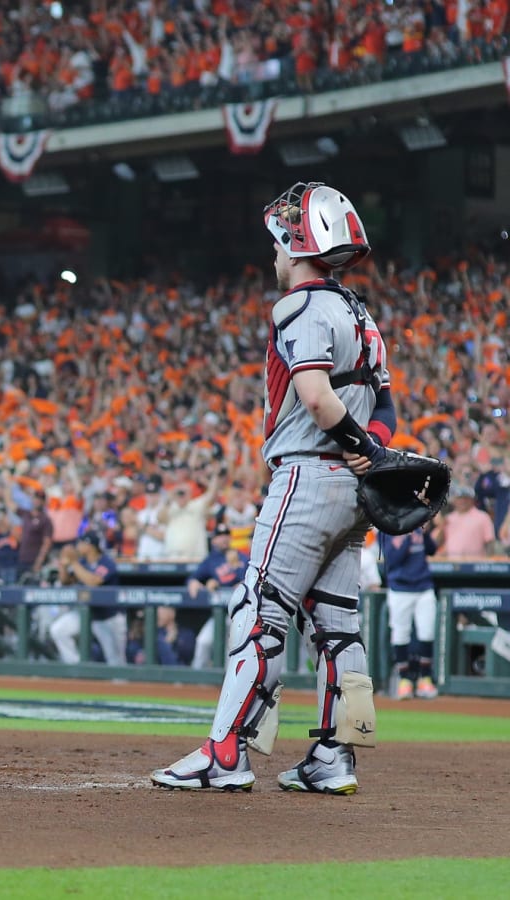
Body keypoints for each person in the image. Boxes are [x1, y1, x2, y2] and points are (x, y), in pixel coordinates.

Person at [153, 181, 390, 794]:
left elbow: (314, 396)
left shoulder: (302, 307)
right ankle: (334, 759)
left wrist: (359, 446)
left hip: (308, 475)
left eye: (280, 243)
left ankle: (226, 754)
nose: (275, 255)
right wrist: (372, 452)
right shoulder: (361, 314)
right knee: (338, 626)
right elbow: (383, 402)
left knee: (258, 612)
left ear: (299, 241)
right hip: (353, 491)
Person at [378, 525, 440, 700]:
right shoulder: (388, 529)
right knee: (400, 634)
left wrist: (425, 534)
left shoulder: (419, 526)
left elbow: (432, 550)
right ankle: (404, 680)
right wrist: (407, 536)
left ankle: (425, 678)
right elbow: (392, 558)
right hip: (400, 588)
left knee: (427, 632)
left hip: (424, 586)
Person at [47, 533, 124, 665]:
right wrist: (64, 566)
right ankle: (76, 667)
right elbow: (66, 581)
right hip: (85, 614)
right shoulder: (82, 562)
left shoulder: (106, 562)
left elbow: (93, 581)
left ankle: (120, 684)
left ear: (90, 546)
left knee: (115, 660)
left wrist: (74, 562)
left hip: (107, 617)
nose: (77, 547)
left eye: (81, 543)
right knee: (58, 630)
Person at [187, 523, 249, 669]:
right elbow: (194, 578)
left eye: (226, 535)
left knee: (232, 649)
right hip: (219, 612)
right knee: (203, 641)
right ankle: (196, 680)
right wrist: (197, 582)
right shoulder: (211, 560)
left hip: (239, 613)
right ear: (213, 540)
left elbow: (250, 579)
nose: (223, 539)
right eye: (219, 536)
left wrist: (239, 578)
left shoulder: (241, 557)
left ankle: (231, 685)